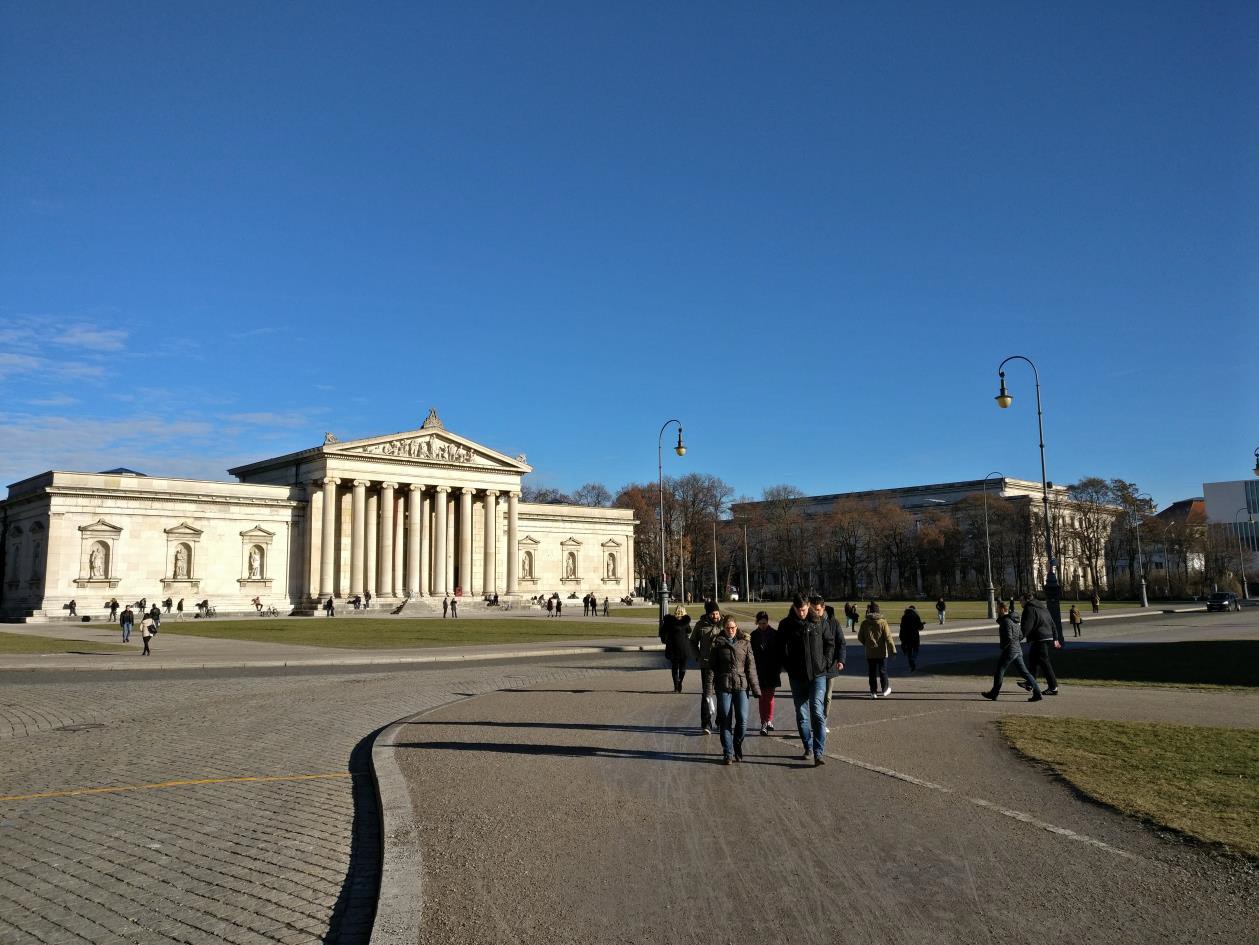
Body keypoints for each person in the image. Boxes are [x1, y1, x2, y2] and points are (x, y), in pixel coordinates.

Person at [779, 595, 838, 766]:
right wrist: (788, 665)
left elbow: (830, 643)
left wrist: (825, 662)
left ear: (808, 607)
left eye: (804, 609)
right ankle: (808, 746)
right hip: (797, 676)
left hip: (818, 674)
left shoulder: (818, 621)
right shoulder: (786, 624)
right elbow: (781, 648)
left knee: (817, 712)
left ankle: (819, 753)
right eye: (799, 610)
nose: (802, 613)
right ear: (794, 608)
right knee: (801, 713)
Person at [710, 615, 761, 764]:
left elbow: (751, 668)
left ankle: (737, 744)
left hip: (741, 685)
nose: (730, 630)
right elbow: (711, 669)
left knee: (742, 720)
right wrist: (708, 691)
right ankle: (728, 752)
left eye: (733, 627)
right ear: (724, 628)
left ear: (736, 627)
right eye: (727, 628)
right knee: (725, 720)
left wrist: (756, 688)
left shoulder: (744, 643)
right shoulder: (718, 643)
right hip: (723, 686)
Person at [982, 601, 1042, 701]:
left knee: (999, 671)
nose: (996, 610)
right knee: (1024, 673)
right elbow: (1020, 635)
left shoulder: (1006, 621)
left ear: (1003, 609)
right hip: (1017, 649)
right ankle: (1037, 693)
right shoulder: (1014, 620)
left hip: (1010, 650)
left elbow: (1008, 638)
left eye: (998, 608)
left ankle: (994, 693)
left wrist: (1003, 647)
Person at [688, 601, 724, 734]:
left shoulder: (725, 623)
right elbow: (692, 642)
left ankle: (720, 720)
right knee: (707, 694)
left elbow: (735, 635)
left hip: (722, 665)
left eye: (717, 613)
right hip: (707, 664)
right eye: (712, 614)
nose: (715, 616)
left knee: (722, 693)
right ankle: (706, 723)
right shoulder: (701, 624)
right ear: (708, 614)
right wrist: (698, 656)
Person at [1018, 593, 1060, 696]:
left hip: (1039, 638)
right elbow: (1052, 623)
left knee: (1045, 663)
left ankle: (1053, 687)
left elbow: (1026, 626)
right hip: (1046, 637)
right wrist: (1055, 637)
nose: (1020, 603)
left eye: (1021, 601)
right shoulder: (1042, 607)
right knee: (1033, 661)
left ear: (1026, 600)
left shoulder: (1029, 608)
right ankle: (1030, 683)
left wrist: (1018, 638)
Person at [749, 610, 781, 735]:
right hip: (759, 671)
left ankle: (769, 720)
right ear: (757, 623)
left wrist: (778, 668)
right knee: (761, 698)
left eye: (765, 623)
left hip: (772, 670)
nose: (763, 625)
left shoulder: (774, 634)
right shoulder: (753, 636)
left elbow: (779, 653)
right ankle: (763, 721)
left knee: (770, 697)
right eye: (761, 623)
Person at [858, 602, 896, 698]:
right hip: (882, 652)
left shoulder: (865, 623)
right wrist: (893, 650)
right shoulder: (883, 623)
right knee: (883, 671)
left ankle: (873, 692)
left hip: (870, 652)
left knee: (872, 672)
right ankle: (885, 689)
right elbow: (888, 638)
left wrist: (866, 644)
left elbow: (860, 637)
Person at [819, 602, 847, 730]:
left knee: (827, 696)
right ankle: (817, 720)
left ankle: (823, 720)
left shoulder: (834, 622)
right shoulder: (812, 621)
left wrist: (841, 660)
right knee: (816, 696)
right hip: (816, 665)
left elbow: (841, 642)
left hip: (831, 665)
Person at [660, 605, 692, 692]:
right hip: (684, 647)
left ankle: (676, 686)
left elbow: (663, 633)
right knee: (683, 667)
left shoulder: (670, 622)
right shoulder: (685, 622)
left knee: (674, 667)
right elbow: (689, 631)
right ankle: (680, 681)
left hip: (673, 647)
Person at [899, 604, 924, 671]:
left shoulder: (904, 617)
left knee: (909, 651)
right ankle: (913, 659)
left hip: (906, 636)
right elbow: (920, 627)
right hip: (914, 636)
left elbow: (902, 627)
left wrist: (901, 637)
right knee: (916, 649)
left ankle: (911, 664)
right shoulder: (916, 616)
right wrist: (922, 624)